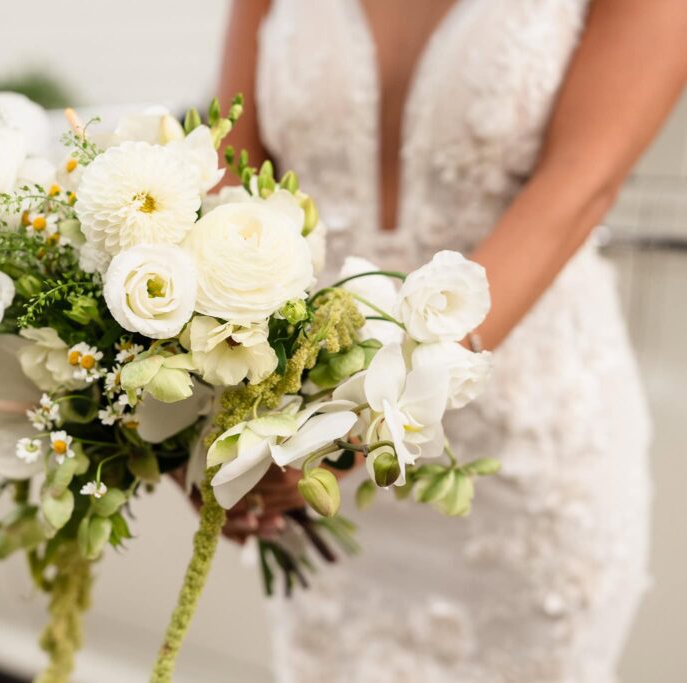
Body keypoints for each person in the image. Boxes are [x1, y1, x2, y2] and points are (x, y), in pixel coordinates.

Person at [212, 1, 687, 680]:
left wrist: (357, 422)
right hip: (311, 456)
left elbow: (578, 187)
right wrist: (216, 413)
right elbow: (234, 164)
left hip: (524, 456)